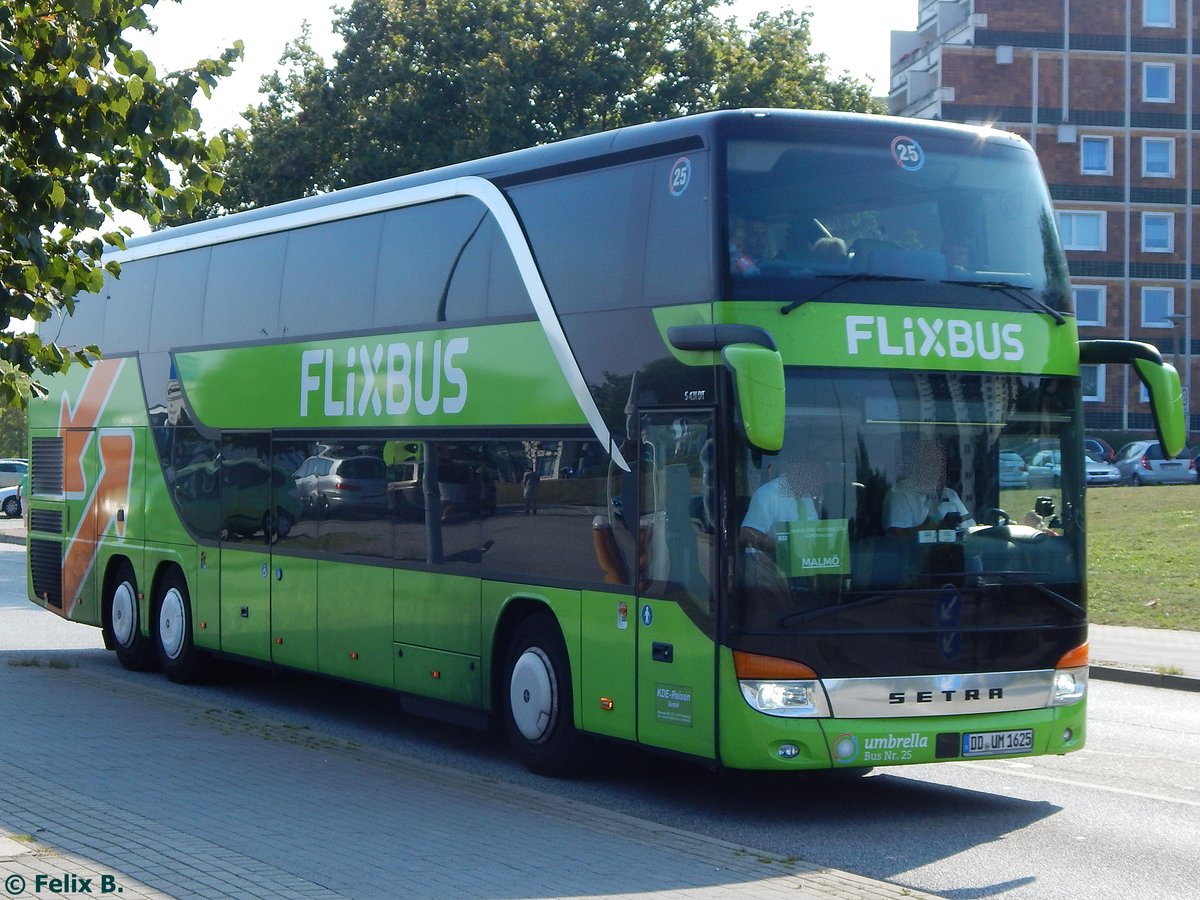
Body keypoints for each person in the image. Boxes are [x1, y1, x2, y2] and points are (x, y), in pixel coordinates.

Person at [884, 440, 975, 535]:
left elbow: (970, 528)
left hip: (955, 548)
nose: (936, 467)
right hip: (919, 549)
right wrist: (937, 526)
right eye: (929, 461)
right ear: (915, 465)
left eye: (939, 462)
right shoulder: (899, 495)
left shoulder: (950, 494)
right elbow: (897, 536)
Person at [740, 458, 823, 556]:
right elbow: (746, 534)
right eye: (813, 474)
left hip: (806, 565)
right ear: (795, 469)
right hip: (771, 567)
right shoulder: (768, 494)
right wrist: (782, 548)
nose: (818, 481)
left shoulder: (807, 498)